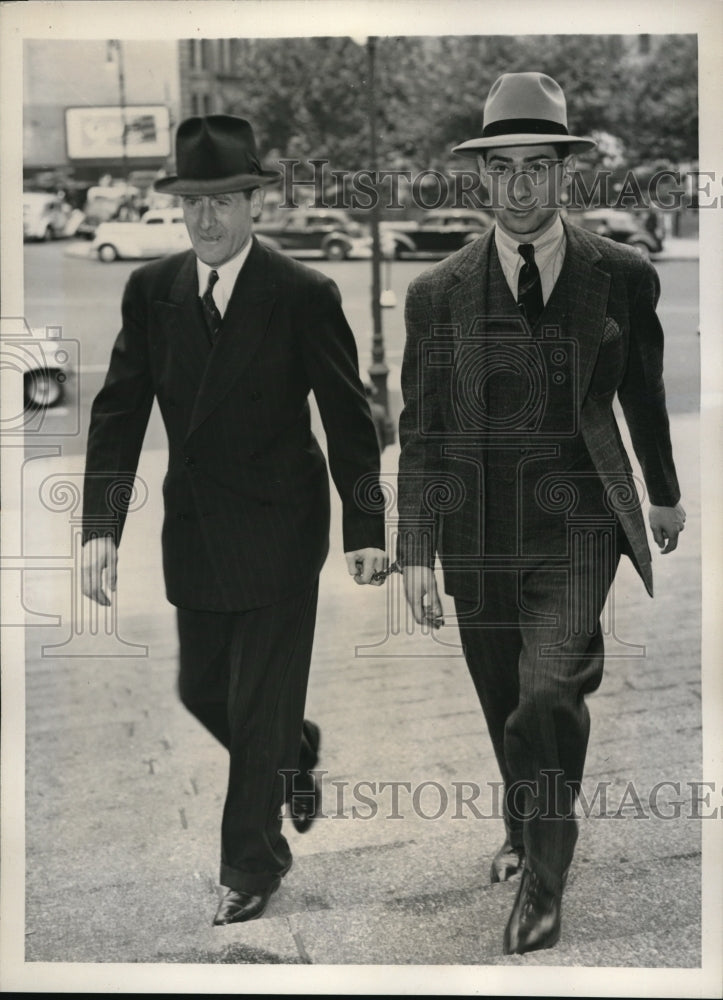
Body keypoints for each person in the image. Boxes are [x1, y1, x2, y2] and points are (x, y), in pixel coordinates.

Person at [397, 73, 685, 955]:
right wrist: (414, 548)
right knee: (501, 700)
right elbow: (422, 427)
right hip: (476, 530)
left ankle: (543, 881)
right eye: (501, 169)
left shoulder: (622, 276)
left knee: (549, 690)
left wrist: (664, 492)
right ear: (481, 179)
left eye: (537, 167)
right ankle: (525, 825)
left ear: (564, 173)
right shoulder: (437, 293)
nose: (519, 188)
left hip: (576, 523)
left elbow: (642, 394)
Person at [81, 115, 387, 925]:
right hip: (197, 529)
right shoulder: (153, 291)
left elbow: (349, 419)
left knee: (255, 706)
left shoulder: (300, 293)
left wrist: (365, 532)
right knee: (200, 690)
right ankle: (297, 750)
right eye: (192, 203)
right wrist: (99, 528)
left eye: (222, 200)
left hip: (283, 529)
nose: (206, 219)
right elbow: (118, 414)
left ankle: (252, 864)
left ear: (254, 200)